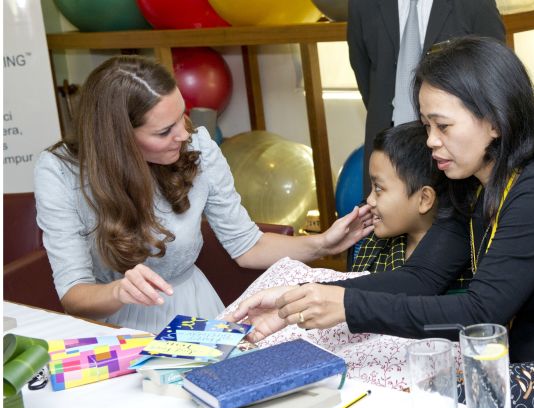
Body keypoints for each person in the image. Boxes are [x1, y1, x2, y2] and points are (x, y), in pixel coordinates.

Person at [228, 37, 534, 408]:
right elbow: (419, 279)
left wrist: (345, 307)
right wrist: (305, 296)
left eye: (442, 126)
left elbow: (481, 313)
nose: (431, 143)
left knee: (453, 402)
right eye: (426, 126)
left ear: (495, 120)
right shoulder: (473, 185)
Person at [33, 55, 373, 335]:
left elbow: (247, 246)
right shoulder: (60, 172)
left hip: (192, 313)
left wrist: (322, 244)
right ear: (118, 139)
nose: (184, 134)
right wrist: (119, 291)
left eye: (183, 114)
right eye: (164, 131)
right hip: (110, 326)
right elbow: (73, 295)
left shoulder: (198, 149)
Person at [348, 0, 505, 194]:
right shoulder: (361, 4)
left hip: (455, 160)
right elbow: (365, 77)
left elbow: (496, 80)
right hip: (388, 148)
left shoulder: (474, 4)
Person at [351, 121, 445, 273]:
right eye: (372, 187)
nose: (369, 200)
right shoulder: (374, 244)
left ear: (424, 199)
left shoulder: (458, 263)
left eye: (379, 188)